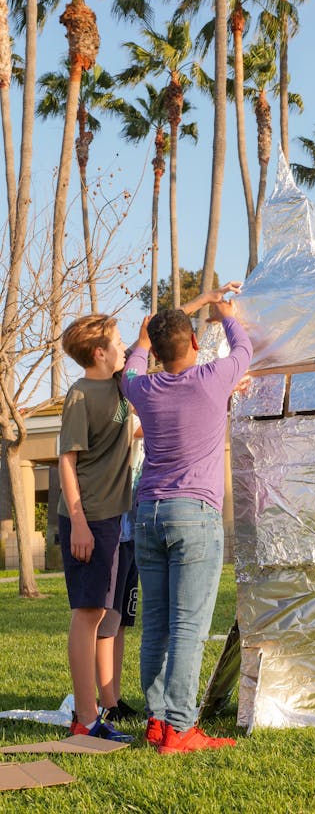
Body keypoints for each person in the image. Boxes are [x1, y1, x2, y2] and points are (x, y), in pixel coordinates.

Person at [121, 283, 252, 754]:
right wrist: (226, 311)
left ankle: (157, 720)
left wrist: (142, 341)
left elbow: (131, 366)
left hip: (148, 515)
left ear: (155, 350)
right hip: (194, 516)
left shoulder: (142, 387)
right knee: (189, 628)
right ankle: (179, 728)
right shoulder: (212, 378)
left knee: (155, 623)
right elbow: (245, 347)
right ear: (195, 343)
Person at [58, 314, 135, 742]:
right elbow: (67, 461)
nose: (124, 347)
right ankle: (85, 719)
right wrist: (79, 524)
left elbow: (152, 335)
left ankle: (97, 712)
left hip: (115, 517)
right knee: (87, 613)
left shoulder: (120, 386)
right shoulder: (80, 395)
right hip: (88, 518)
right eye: (117, 342)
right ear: (99, 353)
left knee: (105, 613)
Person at [96, 417, 144, 722]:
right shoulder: (118, 411)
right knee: (107, 621)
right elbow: (135, 427)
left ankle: (115, 695)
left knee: (123, 621)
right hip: (111, 533)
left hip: (131, 535)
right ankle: (106, 701)